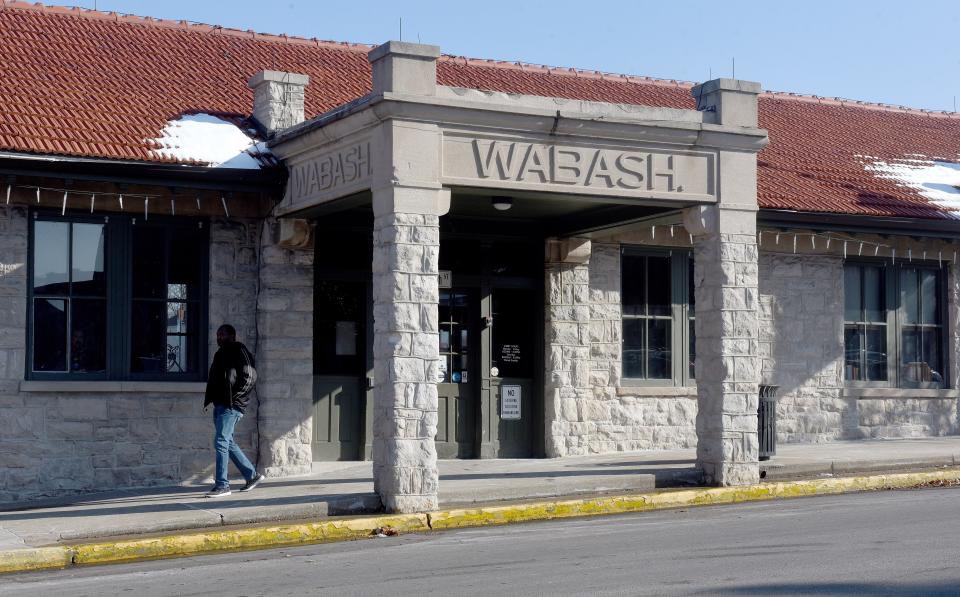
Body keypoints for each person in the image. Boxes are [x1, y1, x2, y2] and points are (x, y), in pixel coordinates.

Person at [203, 324, 264, 498]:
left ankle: (222, 485)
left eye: (222, 334)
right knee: (227, 442)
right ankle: (251, 476)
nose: (218, 337)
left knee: (221, 441)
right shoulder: (220, 354)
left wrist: (236, 398)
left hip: (232, 406)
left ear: (232, 335)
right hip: (220, 405)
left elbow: (250, 376)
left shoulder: (239, 349)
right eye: (217, 335)